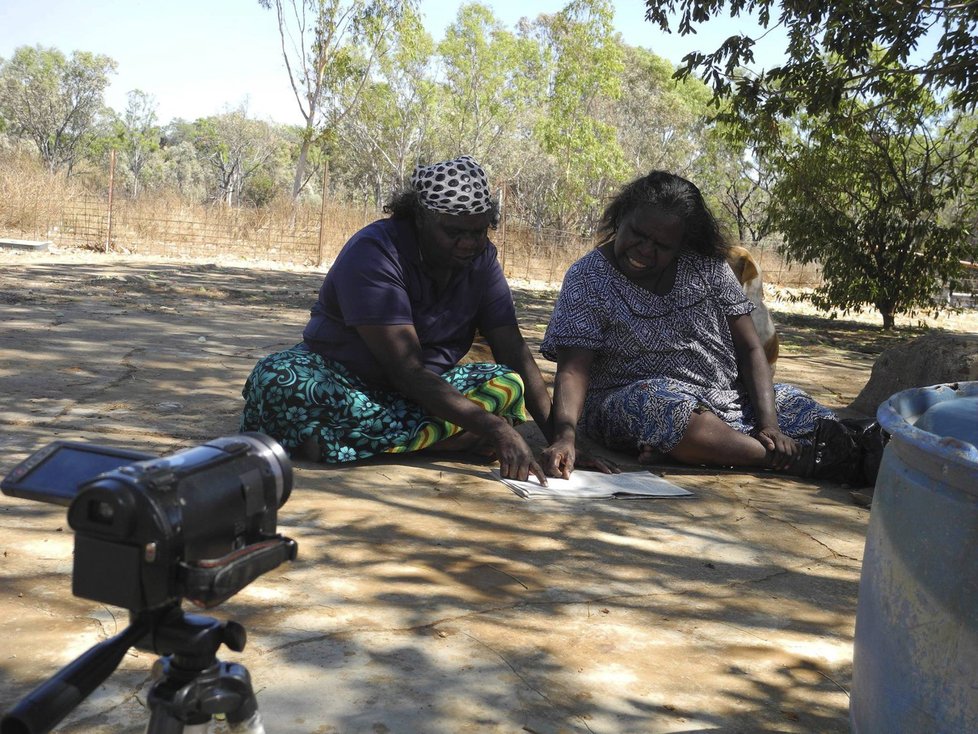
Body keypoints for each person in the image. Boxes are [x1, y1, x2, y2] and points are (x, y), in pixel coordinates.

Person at [539, 170, 880, 486]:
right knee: (664, 410)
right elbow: (573, 371)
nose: (645, 250)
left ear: (683, 242)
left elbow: (750, 349)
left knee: (799, 405)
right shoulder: (587, 277)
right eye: (638, 235)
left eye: (662, 246)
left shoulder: (708, 267)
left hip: (727, 398)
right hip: (630, 399)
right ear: (620, 218)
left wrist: (769, 425)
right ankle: (794, 459)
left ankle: (851, 452)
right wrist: (566, 436)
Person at [240, 155, 555, 482]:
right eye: (454, 232)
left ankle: (351, 441)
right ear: (420, 218)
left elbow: (512, 347)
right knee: (279, 380)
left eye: (479, 232)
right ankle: (438, 441)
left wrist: (561, 437)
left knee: (506, 384)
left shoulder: (482, 259)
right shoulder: (375, 251)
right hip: (347, 382)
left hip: (429, 391)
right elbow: (406, 371)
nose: (469, 244)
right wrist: (493, 428)